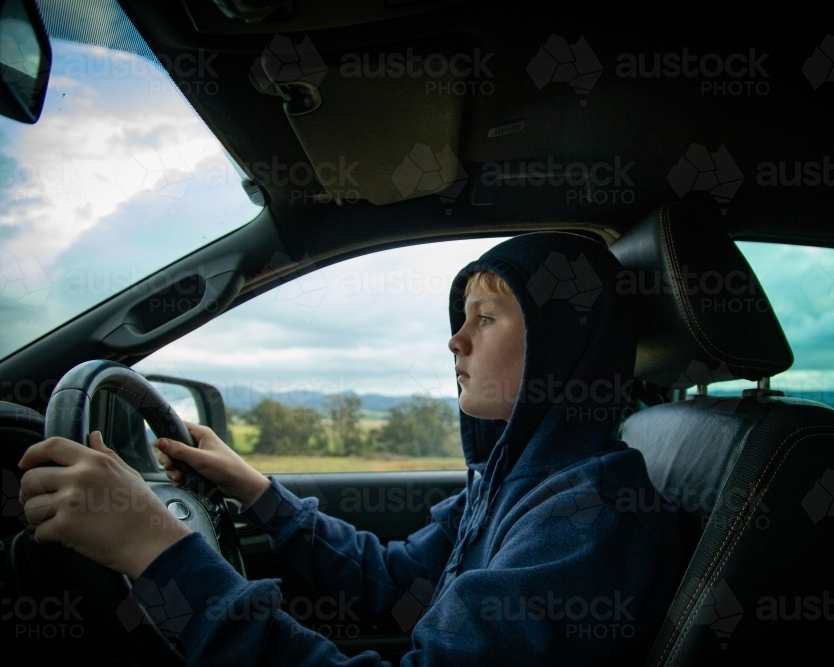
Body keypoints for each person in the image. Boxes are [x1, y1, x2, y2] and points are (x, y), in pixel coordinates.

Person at [18, 232, 681, 666]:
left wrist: (158, 551)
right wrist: (255, 487)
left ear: (557, 345)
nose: (456, 341)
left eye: (485, 317)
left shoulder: (589, 518)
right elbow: (391, 580)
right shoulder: (514, 478)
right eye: (459, 319)